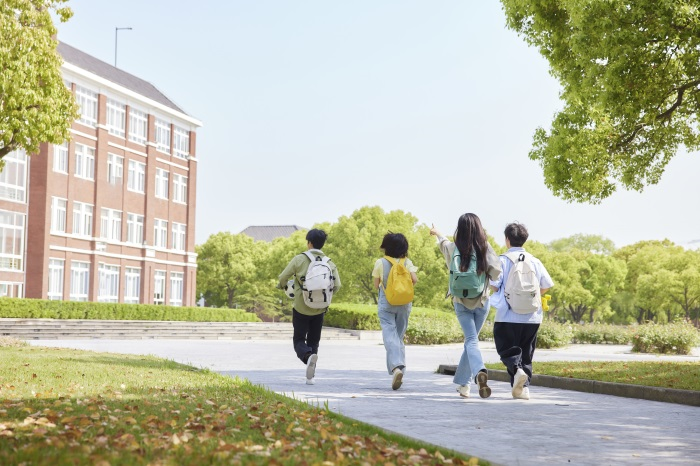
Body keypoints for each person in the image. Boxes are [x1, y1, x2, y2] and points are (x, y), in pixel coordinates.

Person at [430, 214, 502, 399]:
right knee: (472, 342)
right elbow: (496, 273)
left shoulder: (454, 248)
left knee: (471, 342)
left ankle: (475, 375)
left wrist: (437, 232)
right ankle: (466, 383)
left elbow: (443, 243)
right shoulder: (484, 248)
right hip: (481, 301)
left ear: (459, 229)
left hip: (461, 302)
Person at [489, 222, 554, 400]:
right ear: (524, 240)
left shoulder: (502, 260)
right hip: (532, 317)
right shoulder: (535, 261)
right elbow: (546, 285)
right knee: (526, 352)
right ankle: (523, 390)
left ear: (507, 240)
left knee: (506, 349)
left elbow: (494, 286)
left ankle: (517, 371)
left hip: (507, 314)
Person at [278, 229, 341, 385]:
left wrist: (283, 286)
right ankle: (310, 377)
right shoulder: (329, 262)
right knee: (314, 341)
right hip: (320, 307)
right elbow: (338, 285)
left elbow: (282, 277)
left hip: (301, 305)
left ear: (309, 243)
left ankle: (307, 356)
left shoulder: (300, 259)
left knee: (299, 339)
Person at [372, 232, 419, 390]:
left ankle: (396, 368)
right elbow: (414, 280)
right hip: (405, 304)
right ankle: (400, 369)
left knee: (389, 334)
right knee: (398, 337)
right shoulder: (408, 262)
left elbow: (375, 284)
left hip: (387, 303)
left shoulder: (380, 262)